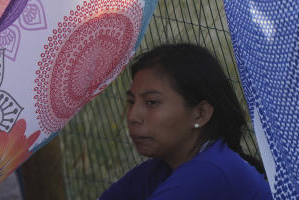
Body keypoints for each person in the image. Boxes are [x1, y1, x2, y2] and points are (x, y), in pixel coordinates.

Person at [99, 43, 273, 199]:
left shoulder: (210, 173)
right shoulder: (160, 170)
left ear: (201, 114)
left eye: (152, 102)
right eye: (131, 102)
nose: (133, 116)